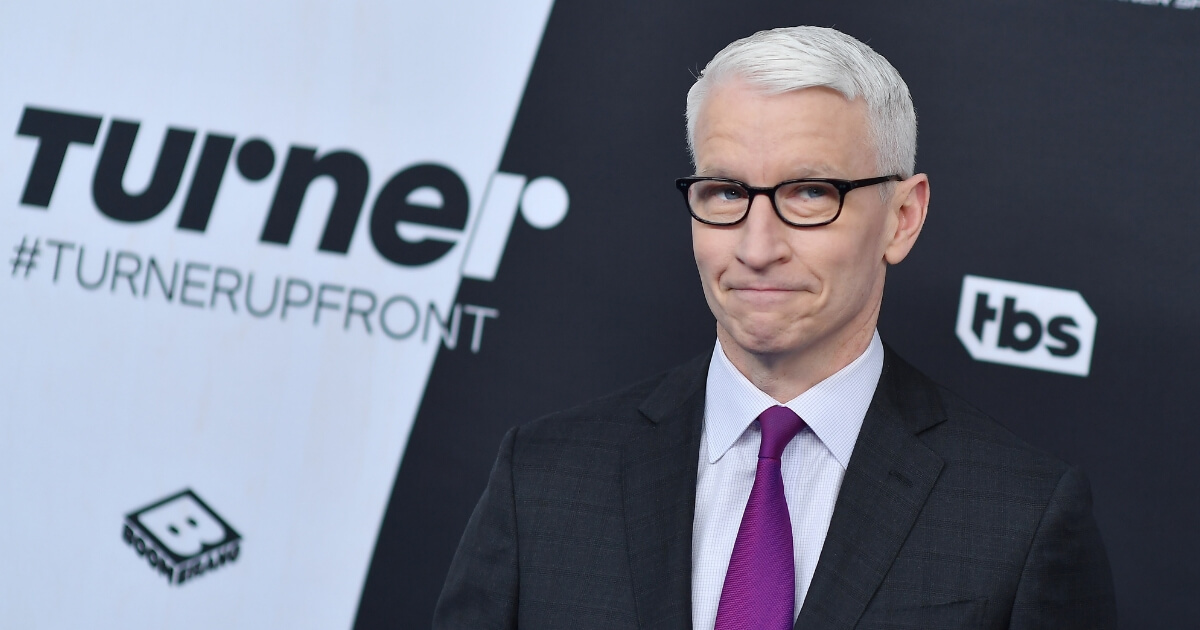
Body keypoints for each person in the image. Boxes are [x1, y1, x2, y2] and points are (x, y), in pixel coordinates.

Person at [433, 26, 1116, 630]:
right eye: (726, 193)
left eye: (810, 192)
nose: (757, 247)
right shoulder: (544, 477)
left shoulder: (1018, 518)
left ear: (902, 218)